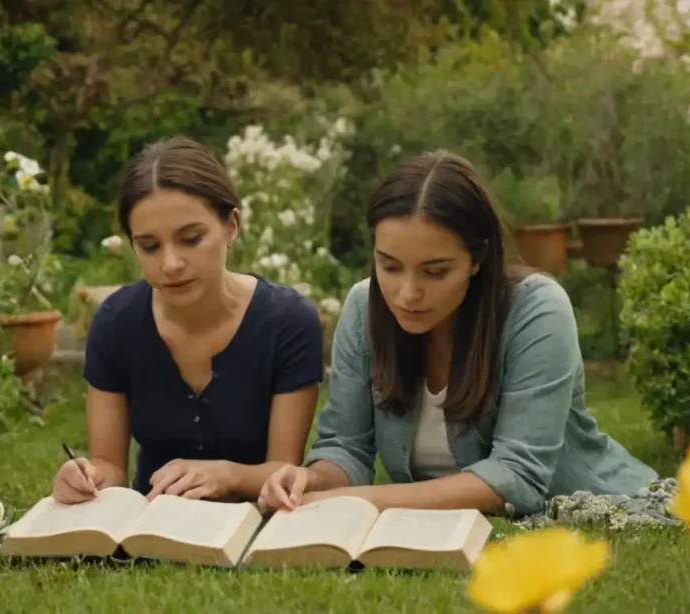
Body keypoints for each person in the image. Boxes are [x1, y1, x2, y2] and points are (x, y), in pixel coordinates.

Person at [257, 150, 658, 518]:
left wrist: (349, 501)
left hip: (604, 510)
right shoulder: (364, 306)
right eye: (390, 266)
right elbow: (345, 447)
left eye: (435, 271)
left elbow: (516, 476)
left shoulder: (537, 309)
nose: (407, 293)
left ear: (478, 258)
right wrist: (311, 481)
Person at [52, 136, 323, 505]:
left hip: (250, 524)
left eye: (191, 239)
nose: (171, 264)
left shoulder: (288, 322)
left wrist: (226, 475)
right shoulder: (116, 323)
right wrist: (88, 477)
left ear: (232, 226)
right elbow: (109, 465)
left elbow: (283, 467)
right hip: (151, 524)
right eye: (149, 246)